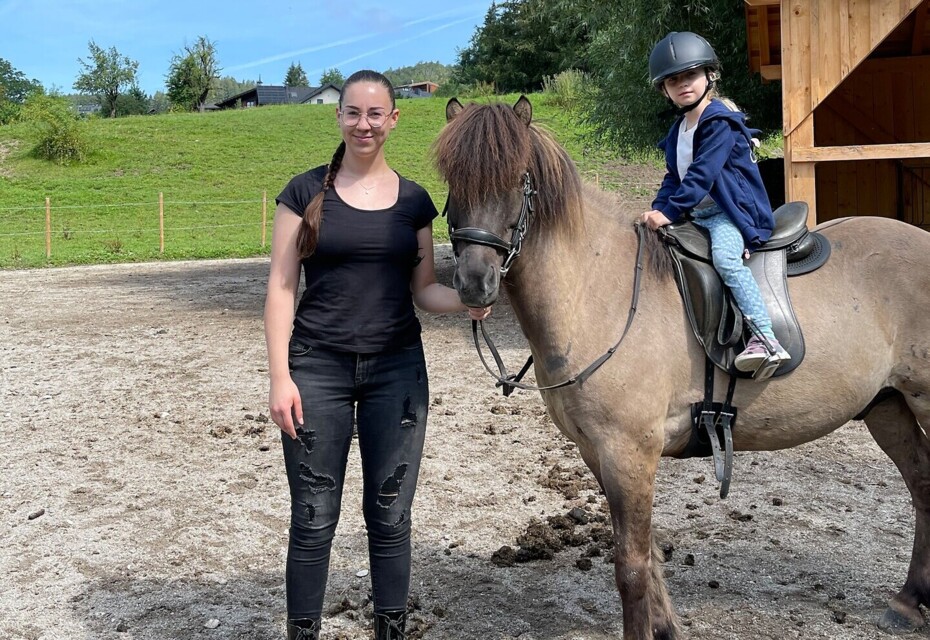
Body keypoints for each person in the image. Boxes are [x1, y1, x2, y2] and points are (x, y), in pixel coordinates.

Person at [264, 69, 490, 640]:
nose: (363, 124)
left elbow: (425, 290)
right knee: (314, 518)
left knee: (390, 517)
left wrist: (469, 299)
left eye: (375, 114)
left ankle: (391, 631)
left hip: (398, 372)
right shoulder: (303, 191)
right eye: (352, 113)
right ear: (339, 117)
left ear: (393, 119)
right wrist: (279, 378)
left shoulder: (414, 202)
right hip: (317, 369)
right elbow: (281, 288)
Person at [639, 31, 790, 374]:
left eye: (690, 75)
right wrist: (656, 209)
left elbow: (702, 175)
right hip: (696, 215)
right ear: (664, 90)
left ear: (709, 76)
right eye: (673, 80)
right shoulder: (678, 131)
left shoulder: (719, 121)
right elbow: (674, 179)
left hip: (728, 214)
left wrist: (670, 212)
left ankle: (766, 337)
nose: (682, 85)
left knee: (725, 259)